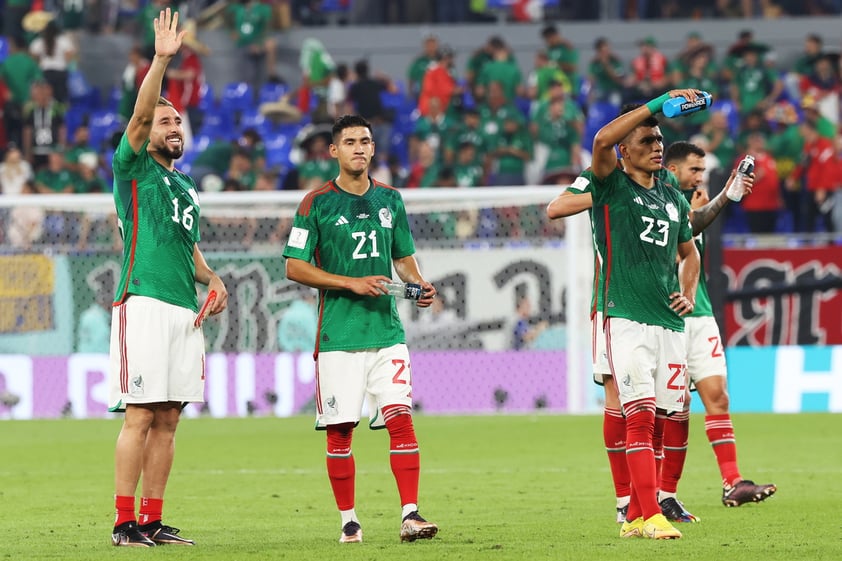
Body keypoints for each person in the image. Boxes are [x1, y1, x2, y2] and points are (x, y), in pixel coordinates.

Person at [283, 114, 439, 544]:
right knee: (341, 430)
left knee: (400, 418)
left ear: (373, 149)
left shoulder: (391, 199)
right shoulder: (315, 204)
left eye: (365, 141)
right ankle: (349, 521)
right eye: (349, 141)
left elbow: (403, 257)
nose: (359, 148)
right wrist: (349, 282)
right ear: (333, 151)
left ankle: (411, 513)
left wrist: (417, 284)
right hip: (338, 335)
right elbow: (294, 266)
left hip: (386, 331)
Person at [108, 8, 228, 548]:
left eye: (177, 120)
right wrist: (161, 60)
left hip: (184, 307)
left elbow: (189, 248)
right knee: (139, 414)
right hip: (145, 302)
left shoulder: (186, 187)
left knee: (170, 417)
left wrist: (212, 278)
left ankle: (152, 519)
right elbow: (137, 120)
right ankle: (122, 523)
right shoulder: (133, 169)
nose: (173, 126)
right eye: (164, 121)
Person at [588, 90, 702, 540]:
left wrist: (688, 292)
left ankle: (637, 515)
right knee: (638, 415)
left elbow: (689, 254)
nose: (657, 146)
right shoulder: (610, 183)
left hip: (669, 322)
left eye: (659, 140)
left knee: (662, 419)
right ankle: (651, 514)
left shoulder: (672, 197)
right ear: (624, 150)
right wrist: (657, 104)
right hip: (626, 317)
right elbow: (599, 141)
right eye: (647, 140)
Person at [658, 141, 778, 516]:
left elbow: (696, 225)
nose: (699, 177)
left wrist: (726, 194)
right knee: (670, 411)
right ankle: (662, 494)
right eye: (694, 170)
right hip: (664, 321)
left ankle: (733, 482)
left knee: (718, 396)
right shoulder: (655, 204)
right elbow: (687, 227)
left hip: (701, 314)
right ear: (672, 169)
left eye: (703, 171)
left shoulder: (694, 205)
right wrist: (726, 195)